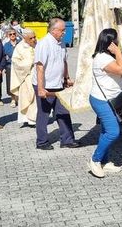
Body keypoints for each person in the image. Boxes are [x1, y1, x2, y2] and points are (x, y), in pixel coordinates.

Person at [33, 18, 78, 150]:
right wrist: (41, 88)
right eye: (62, 30)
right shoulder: (44, 44)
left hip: (59, 84)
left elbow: (63, 62)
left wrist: (67, 78)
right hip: (45, 86)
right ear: (53, 30)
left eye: (64, 30)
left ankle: (67, 140)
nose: (64, 32)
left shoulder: (61, 43)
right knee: (43, 114)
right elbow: (40, 67)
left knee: (63, 112)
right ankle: (41, 142)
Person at [88, 28, 122, 178]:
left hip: (109, 100)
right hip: (101, 100)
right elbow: (121, 70)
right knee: (113, 132)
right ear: (111, 43)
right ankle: (95, 159)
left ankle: (105, 161)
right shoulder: (103, 58)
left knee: (105, 131)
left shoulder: (105, 56)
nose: (118, 43)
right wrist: (118, 53)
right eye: (116, 41)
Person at [12, 28, 38, 126]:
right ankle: (26, 118)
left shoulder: (37, 45)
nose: (34, 39)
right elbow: (15, 62)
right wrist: (29, 62)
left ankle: (34, 119)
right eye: (31, 38)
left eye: (34, 37)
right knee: (26, 97)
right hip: (25, 76)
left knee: (36, 98)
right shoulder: (19, 47)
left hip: (36, 75)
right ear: (25, 38)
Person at [1, 29, 20, 106]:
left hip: (19, 67)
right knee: (10, 83)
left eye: (14, 34)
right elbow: (4, 56)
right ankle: (13, 99)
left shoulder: (20, 44)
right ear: (8, 36)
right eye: (10, 34)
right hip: (9, 66)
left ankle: (18, 98)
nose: (12, 35)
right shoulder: (6, 45)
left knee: (19, 83)